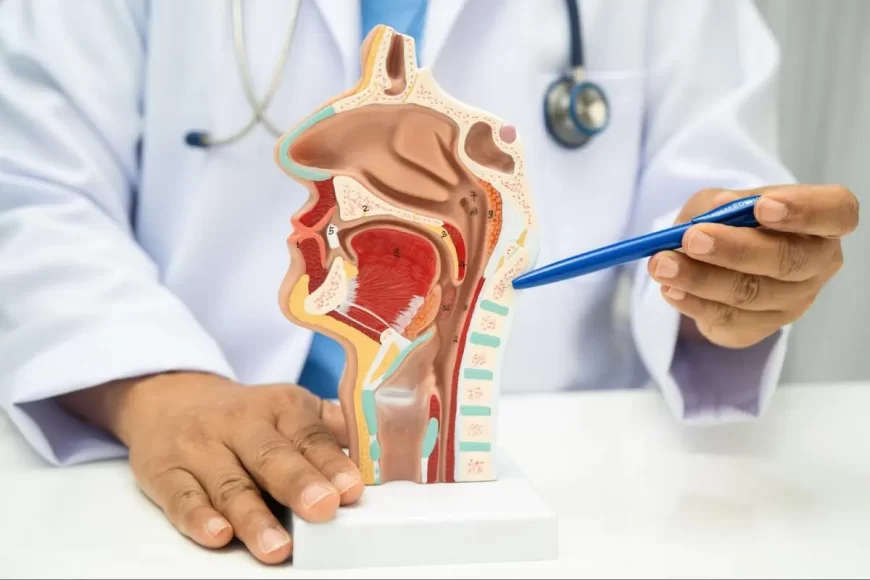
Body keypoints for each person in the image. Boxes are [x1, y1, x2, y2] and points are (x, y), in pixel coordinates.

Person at [0, 0, 858, 565]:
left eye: (337, 207)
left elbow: (708, 195)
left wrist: (726, 278)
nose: (307, 228)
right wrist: (154, 385)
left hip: (575, 483)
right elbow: (31, 191)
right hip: (178, 492)